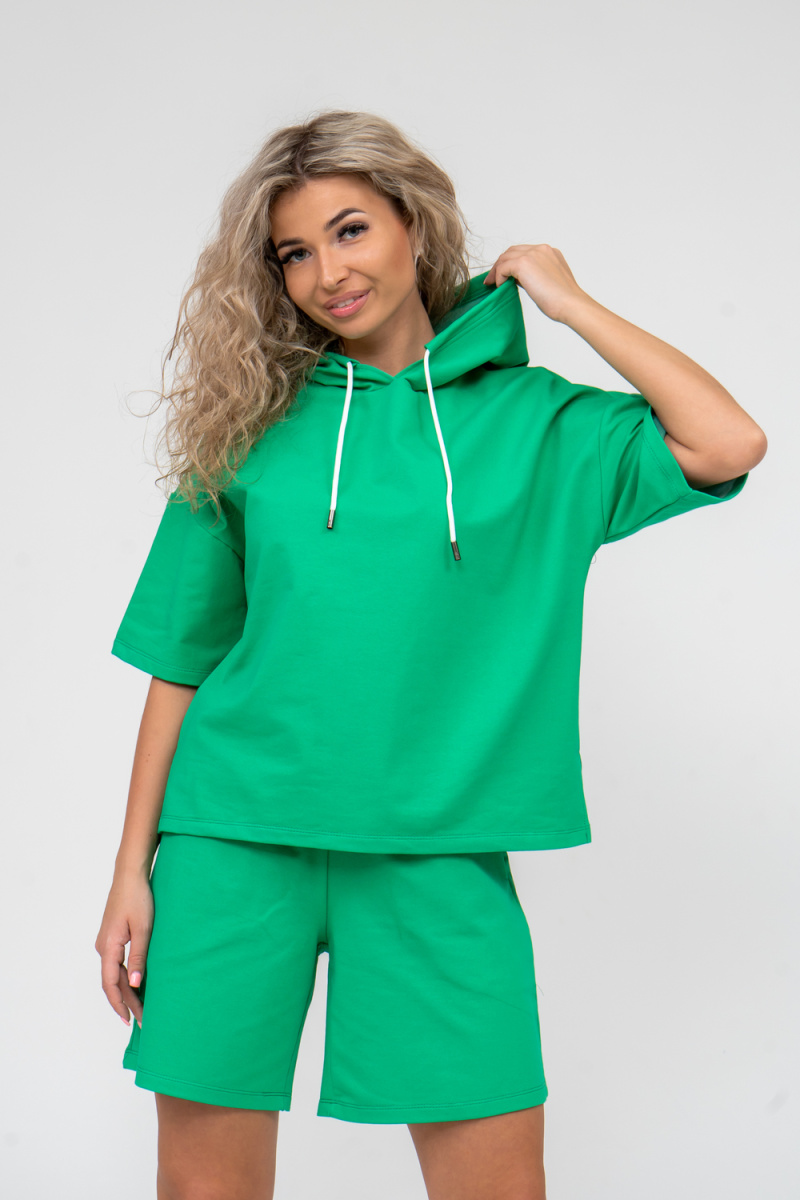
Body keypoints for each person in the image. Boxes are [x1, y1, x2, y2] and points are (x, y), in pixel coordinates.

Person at [95, 108, 765, 1200]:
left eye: (351, 230)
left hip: (439, 847)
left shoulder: (538, 425)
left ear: (415, 222)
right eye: (294, 253)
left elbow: (726, 442)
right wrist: (131, 869)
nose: (327, 274)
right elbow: (181, 660)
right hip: (232, 839)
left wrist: (567, 301)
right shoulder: (252, 425)